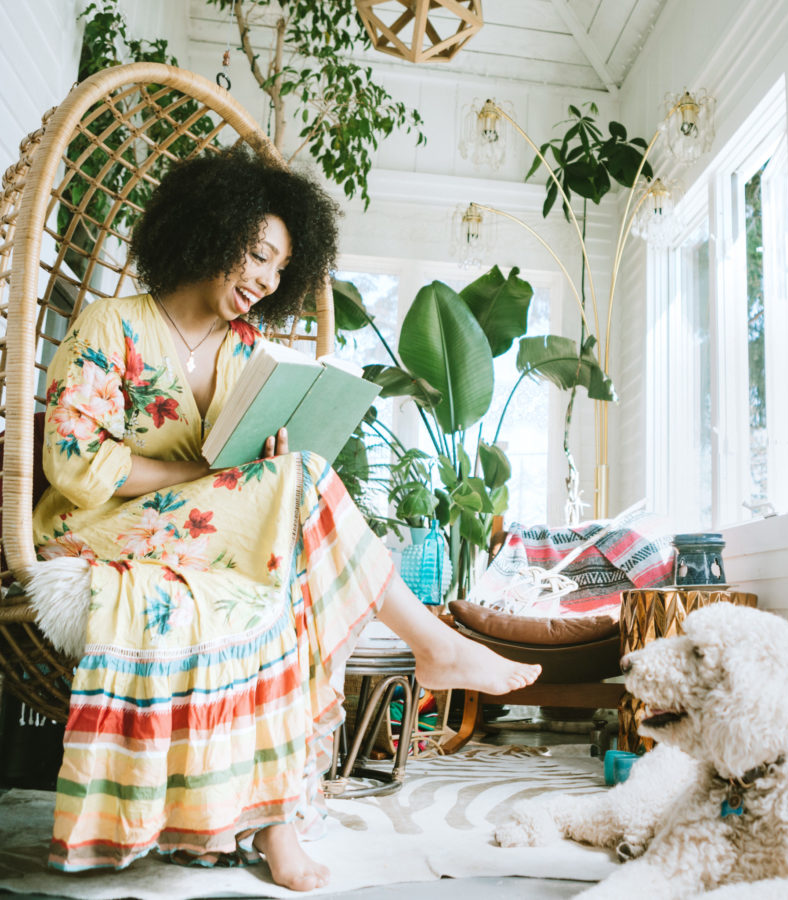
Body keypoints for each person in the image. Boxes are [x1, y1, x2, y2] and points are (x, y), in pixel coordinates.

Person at [32, 147, 540, 891]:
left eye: (280, 269)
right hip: (94, 526)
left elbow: (239, 463)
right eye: (257, 254)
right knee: (302, 484)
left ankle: (275, 822)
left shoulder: (245, 349)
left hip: (202, 529)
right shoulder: (112, 325)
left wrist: (260, 457)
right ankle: (434, 645)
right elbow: (74, 462)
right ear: (210, 230)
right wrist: (205, 476)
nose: (267, 280)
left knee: (284, 553)